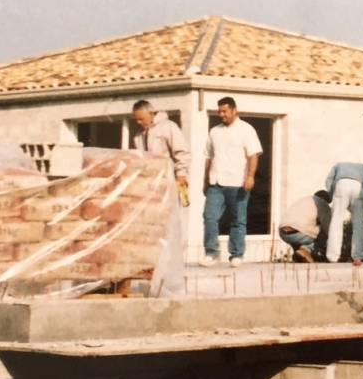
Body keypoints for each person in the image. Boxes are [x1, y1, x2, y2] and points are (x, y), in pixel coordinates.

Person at [203, 96, 263, 266]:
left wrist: (250, 176)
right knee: (209, 217)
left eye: (225, 111)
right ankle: (211, 253)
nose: (221, 115)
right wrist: (205, 180)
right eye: (219, 112)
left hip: (238, 182)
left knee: (238, 220)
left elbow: (253, 155)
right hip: (216, 182)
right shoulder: (214, 131)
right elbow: (209, 157)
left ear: (234, 110)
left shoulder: (246, 129)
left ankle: (237, 255)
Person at [129, 100, 191, 206]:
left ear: (151, 114)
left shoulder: (168, 127)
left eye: (141, 119)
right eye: (136, 119)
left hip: (169, 179)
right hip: (149, 181)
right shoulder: (138, 135)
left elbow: (182, 152)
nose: (138, 122)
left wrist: (181, 174)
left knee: (170, 210)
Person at [324, 161, 363, 265]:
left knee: (336, 220)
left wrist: (332, 195)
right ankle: (357, 256)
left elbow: (328, 181)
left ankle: (332, 256)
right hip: (359, 186)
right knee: (358, 223)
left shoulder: (338, 165)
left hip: (341, 184)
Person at [277, 190, 332, 263]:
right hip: (297, 233)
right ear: (325, 200)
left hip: (283, 232)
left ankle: (298, 254)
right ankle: (306, 250)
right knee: (326, 232)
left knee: (305, 229)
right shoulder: (321, 203)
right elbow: (328, 227)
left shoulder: (304, 200)